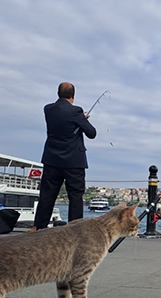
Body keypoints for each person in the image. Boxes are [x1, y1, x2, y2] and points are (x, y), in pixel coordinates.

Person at [32, 82, 97, 230]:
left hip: (52, 159)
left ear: (58, 93)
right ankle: (74, 230)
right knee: (75, 196)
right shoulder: (76, 112)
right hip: (74, 161)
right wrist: (82, 119)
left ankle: (39, 227)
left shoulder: (48, 109)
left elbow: (62, 122)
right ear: (73, 95)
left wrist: (79, 119)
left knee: (47, 196)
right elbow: (92, 133)